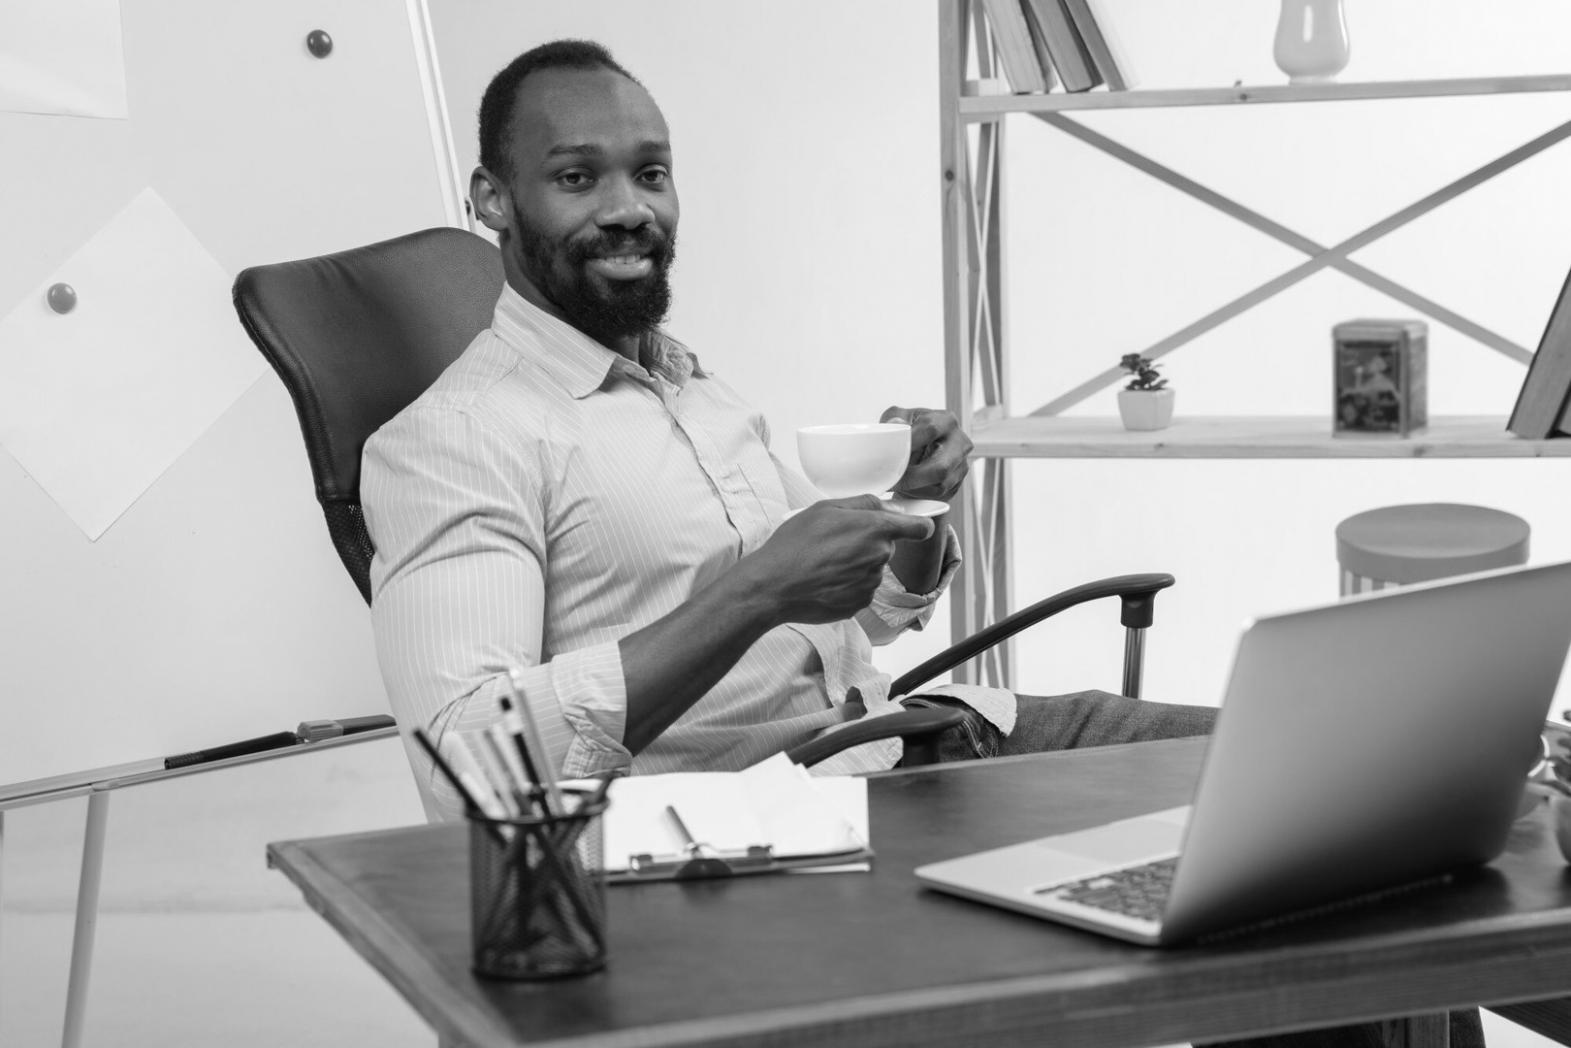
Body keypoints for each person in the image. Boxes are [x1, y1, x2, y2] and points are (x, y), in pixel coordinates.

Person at [360, 40, 1477, 1047]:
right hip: (783, 827)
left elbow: (857, 623)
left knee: (1342, 795)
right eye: (577, 178)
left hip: (928, 739)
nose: (628, 208)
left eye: (649, 173)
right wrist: (754, 592)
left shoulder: (686, 385)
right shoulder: (456, 441)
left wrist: (908, 513)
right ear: (491, 198)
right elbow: (471, 769)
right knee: (1310, 855)